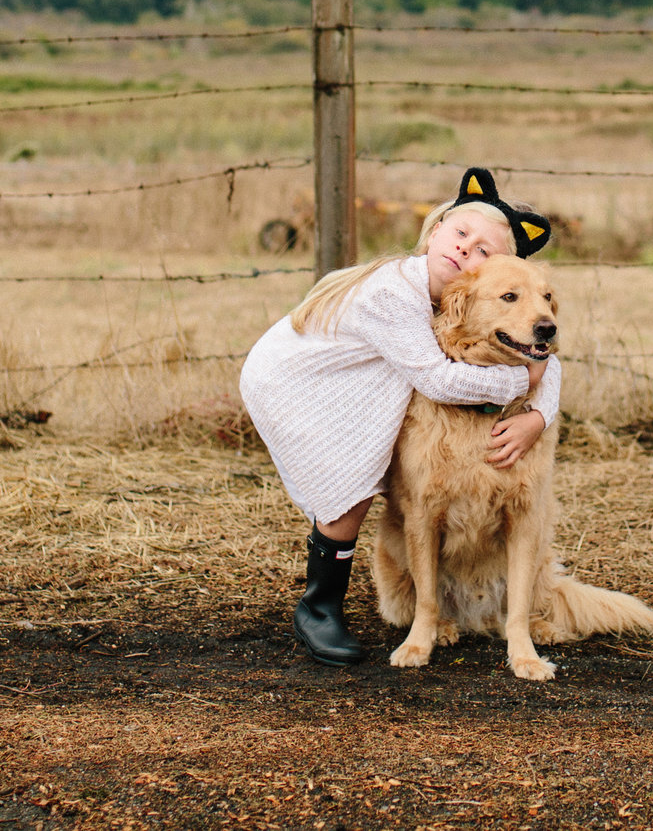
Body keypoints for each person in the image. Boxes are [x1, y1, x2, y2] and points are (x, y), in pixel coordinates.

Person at [239, 167, 561, 665]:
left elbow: (546, 354)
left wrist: (538, 411)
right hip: (298, 382)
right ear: (435, 232)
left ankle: (327, 603)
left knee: (364, 474)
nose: (465, 250)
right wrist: (525, 381)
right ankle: (318, 609)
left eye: (483, 251)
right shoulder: (395, 294)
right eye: (460, 234)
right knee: (351, 486)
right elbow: (438, 380)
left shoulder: (458, 298)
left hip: (350, 378)